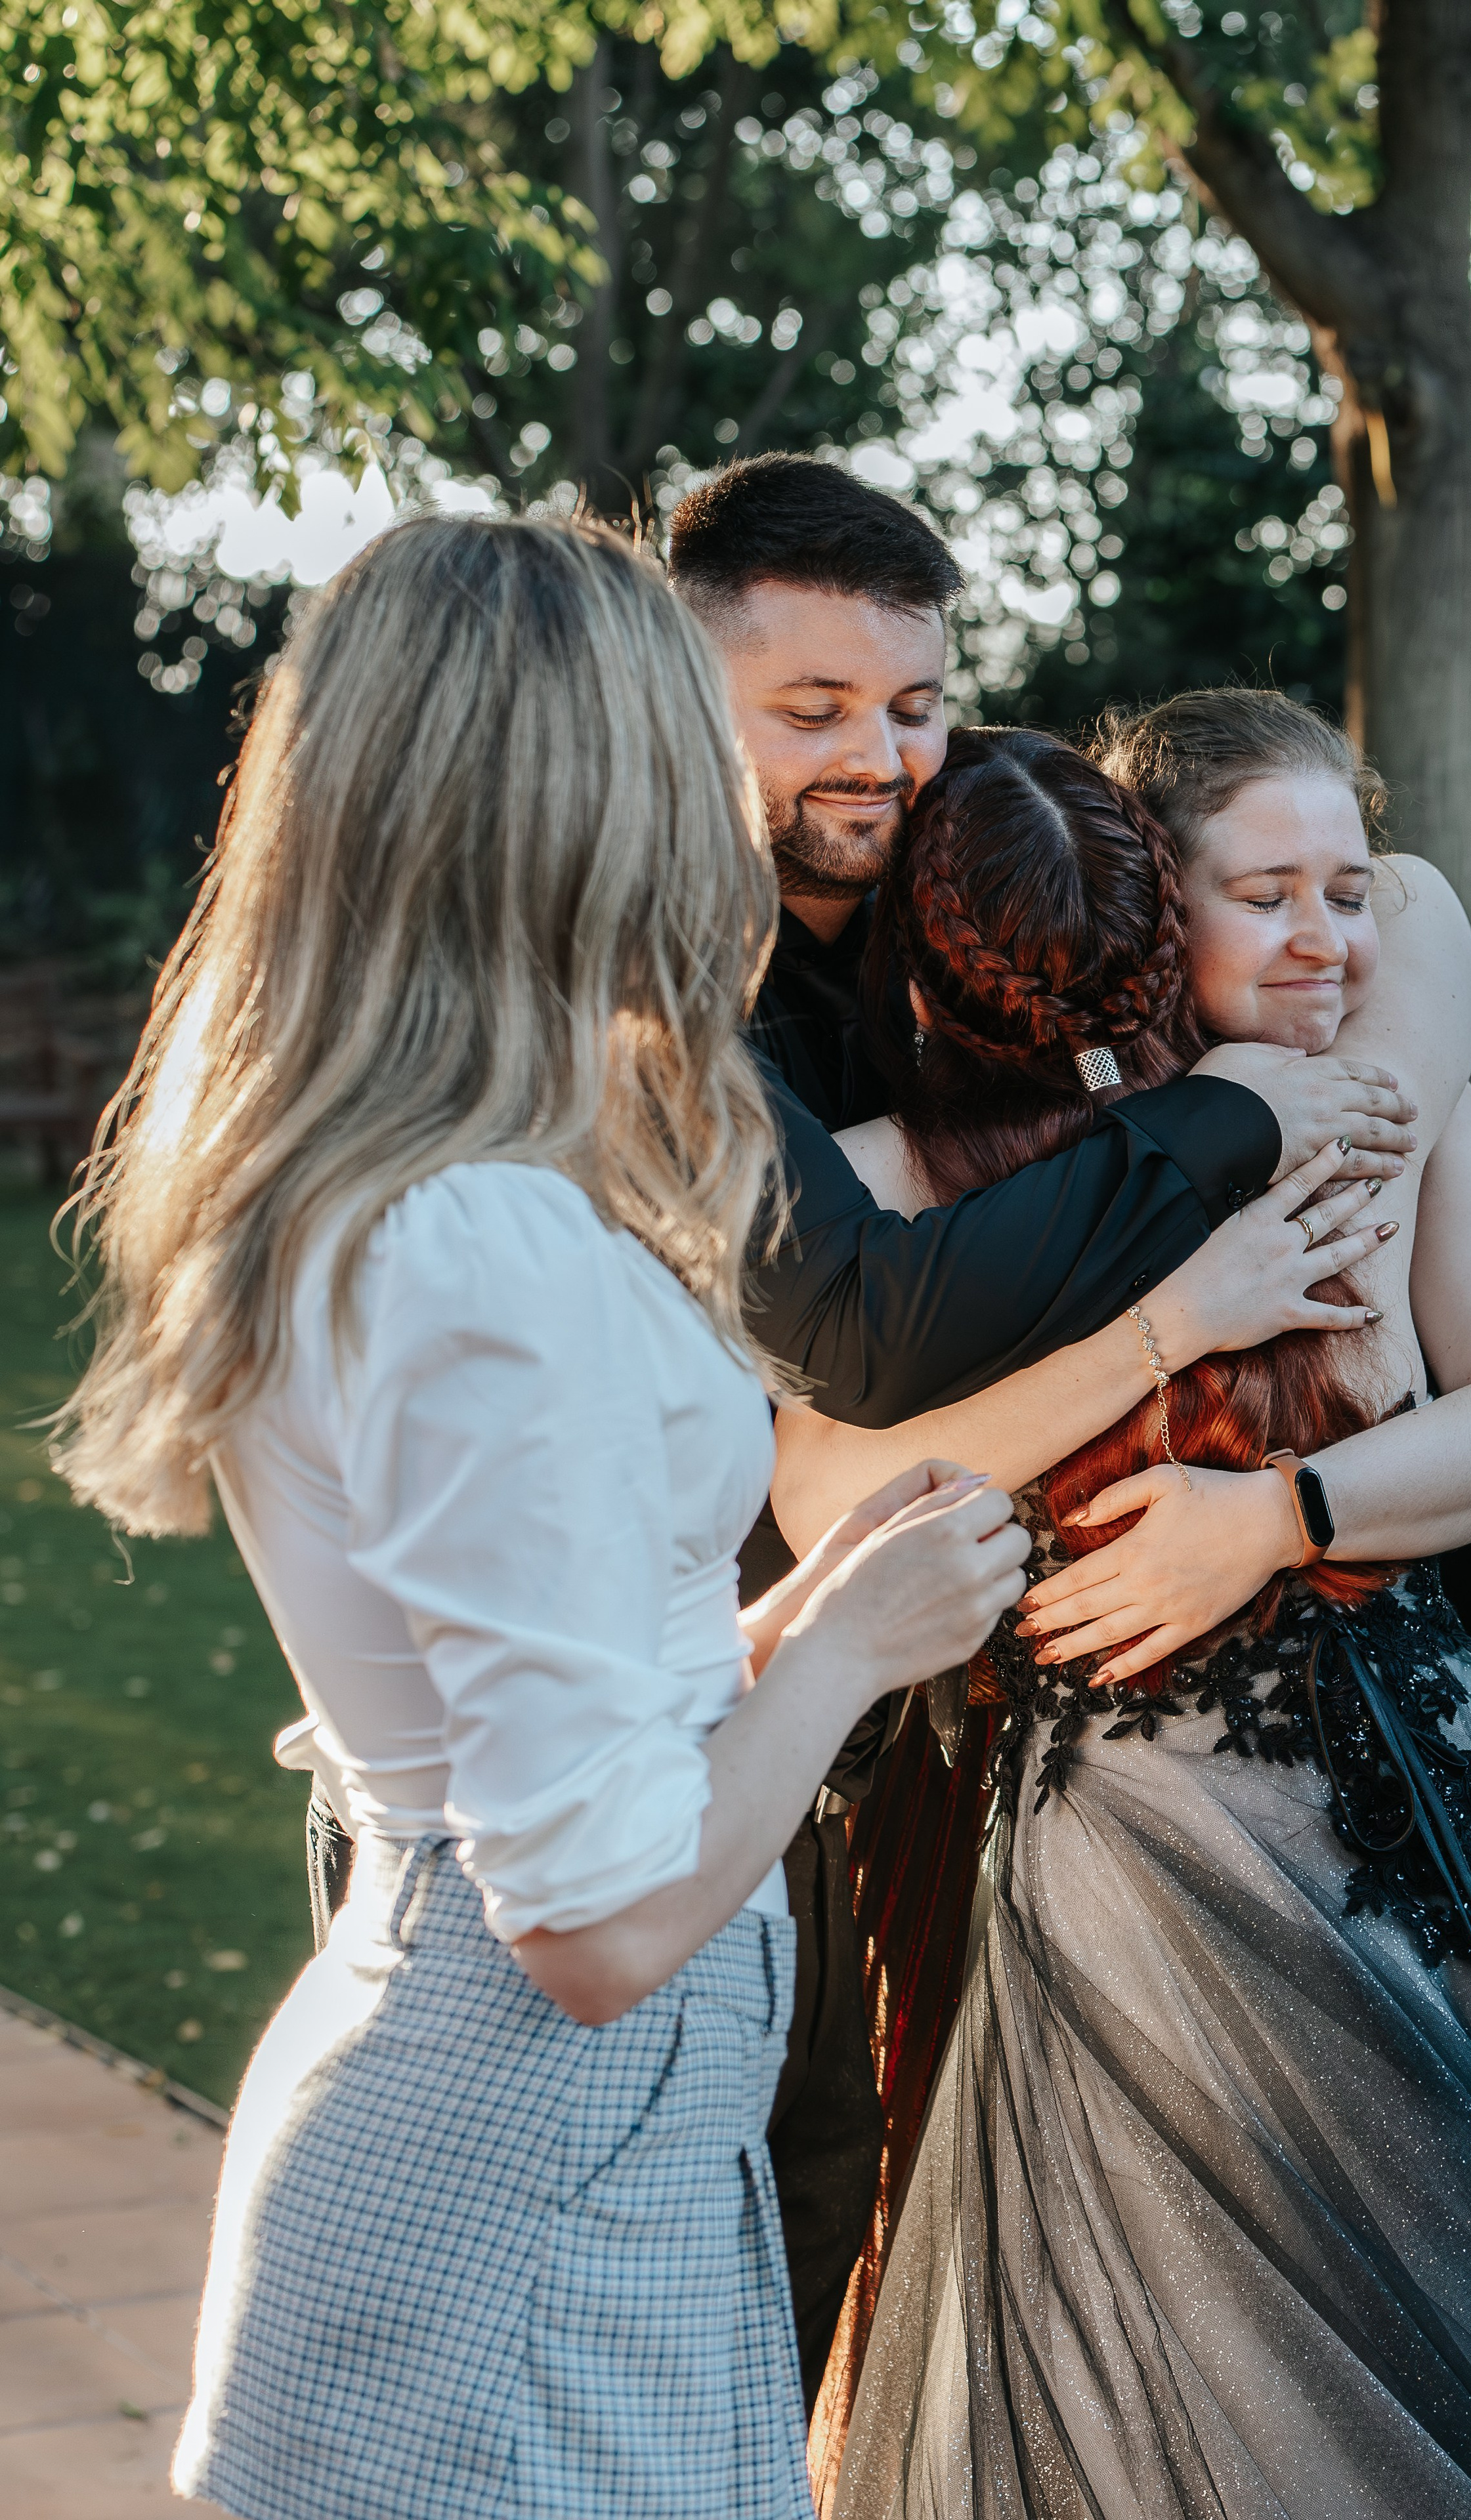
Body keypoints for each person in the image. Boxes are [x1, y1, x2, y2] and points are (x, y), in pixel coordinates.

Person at [48, 515, 1033, 2519]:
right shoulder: (477, 1237)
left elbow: (531, 1681)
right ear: (582, 795)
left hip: (570, 2159)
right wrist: (852, 1650)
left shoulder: (412, 1189)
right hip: (535, 2169)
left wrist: (777, 1621)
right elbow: (590, 1926)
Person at [788, 702, 1471, 2514]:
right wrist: (1176, 1317)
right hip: (1135, 1864)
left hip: (1432, 1818)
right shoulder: (933, 1169)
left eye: (1340, 890)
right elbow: (815, 1498)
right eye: (1266, 893)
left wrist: (1273, 1517)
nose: (1327, 937)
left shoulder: (1399, 1116)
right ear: (1142, 913)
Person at [661, 453, 1424, 2403]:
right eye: (813, 710)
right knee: (754, 2227)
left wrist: (1376, 1072)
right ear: (684, 699)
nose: (884, 755)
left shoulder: (950, 825)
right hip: (715, 1659)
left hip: (940, 1657)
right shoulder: (659, 968)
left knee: (925, 2202)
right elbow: (847, 1321)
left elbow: (1394, 891)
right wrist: (1232, 1120)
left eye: (912, 702)